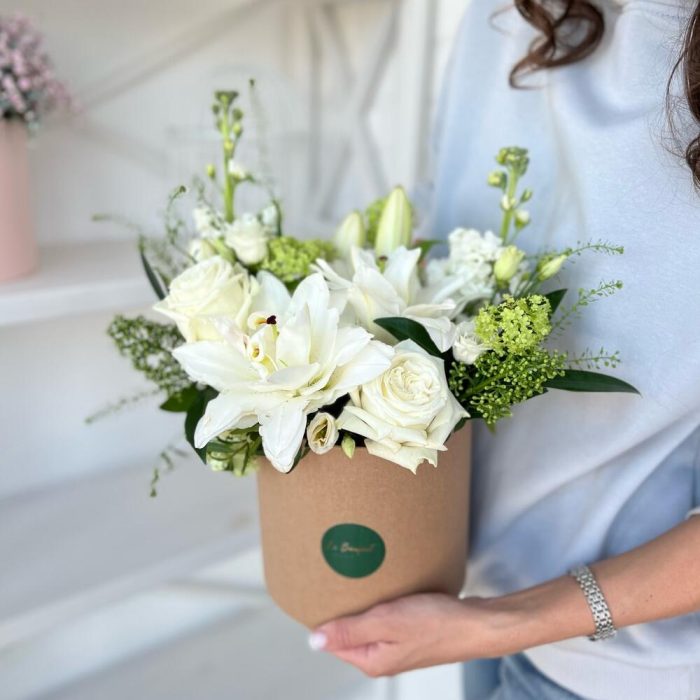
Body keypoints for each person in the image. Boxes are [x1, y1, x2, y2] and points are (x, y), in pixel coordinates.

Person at [306, 1, 700, 698]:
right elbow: (444, 221)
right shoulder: (507, 16)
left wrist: (500, 623)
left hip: (635, 659)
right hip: (480, 594)